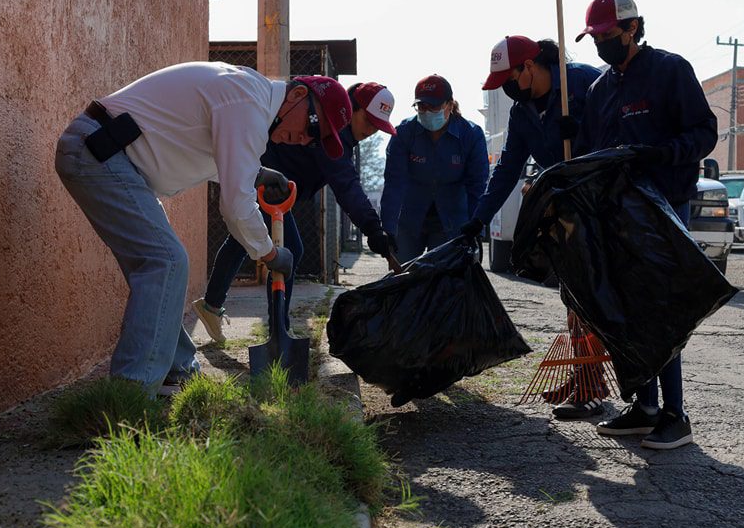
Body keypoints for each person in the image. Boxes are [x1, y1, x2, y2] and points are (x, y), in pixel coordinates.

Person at [54, 62, 352, 396]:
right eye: (313, 126)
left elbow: (218, 153)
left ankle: (176, 369)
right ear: (298, 95)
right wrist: (269, 253)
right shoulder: (247, 103)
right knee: (166, 262)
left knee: (165, 266)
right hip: (99, 152)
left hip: (113, 158)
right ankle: (130, 395)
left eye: (315, 141)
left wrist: (256, 174)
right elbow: (236, 208)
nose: (304, 139)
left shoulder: (249, 97)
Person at [573, 0, 718, 450]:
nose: (601, 45)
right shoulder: (600, 90)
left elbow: (704, 132)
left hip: (663, 209)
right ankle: (644, 406)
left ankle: (675, 415)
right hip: (616, 214)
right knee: (623, 309)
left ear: (633, 28)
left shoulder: (669, 71)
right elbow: (593, 153)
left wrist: (663, 153)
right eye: (594, 38)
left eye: (607, 36)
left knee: (659, 310)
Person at [459, 35, 603, 418]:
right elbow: (506, 170)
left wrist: (583, 133)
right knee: (573, 295)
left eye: (510, 78)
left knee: (594, 296)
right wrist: (478, 219)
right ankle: (586, 375)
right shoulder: (522, 113)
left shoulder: (584, 84)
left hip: (602, 204)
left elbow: (619, 138)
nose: (507, 89)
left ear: (529, 67)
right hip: (566, 208)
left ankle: (598, 386)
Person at [193, 81, 399, 342]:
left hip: (275, 184)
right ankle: (279, 330)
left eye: (377, 127)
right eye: (368, 122)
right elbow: (347, 188)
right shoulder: (331, 133)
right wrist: (373, 228)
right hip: (267, 179)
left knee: (240, 239)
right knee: (290, 249)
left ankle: (210, 306)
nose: (370, 131)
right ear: (354, 109)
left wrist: (375, 229)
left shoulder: (342, 137)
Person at [381, 75, 489, 262]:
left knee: (444, 280)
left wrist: (476, 226)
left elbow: (477, 186)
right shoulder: (404, 133)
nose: (427, 111)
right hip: (410, 219)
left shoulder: (471, 135)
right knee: (402, 278)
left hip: (452, 220)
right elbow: (394, 183)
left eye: (434, 106)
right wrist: (388, 229)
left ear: (449, 105)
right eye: (422, 107)